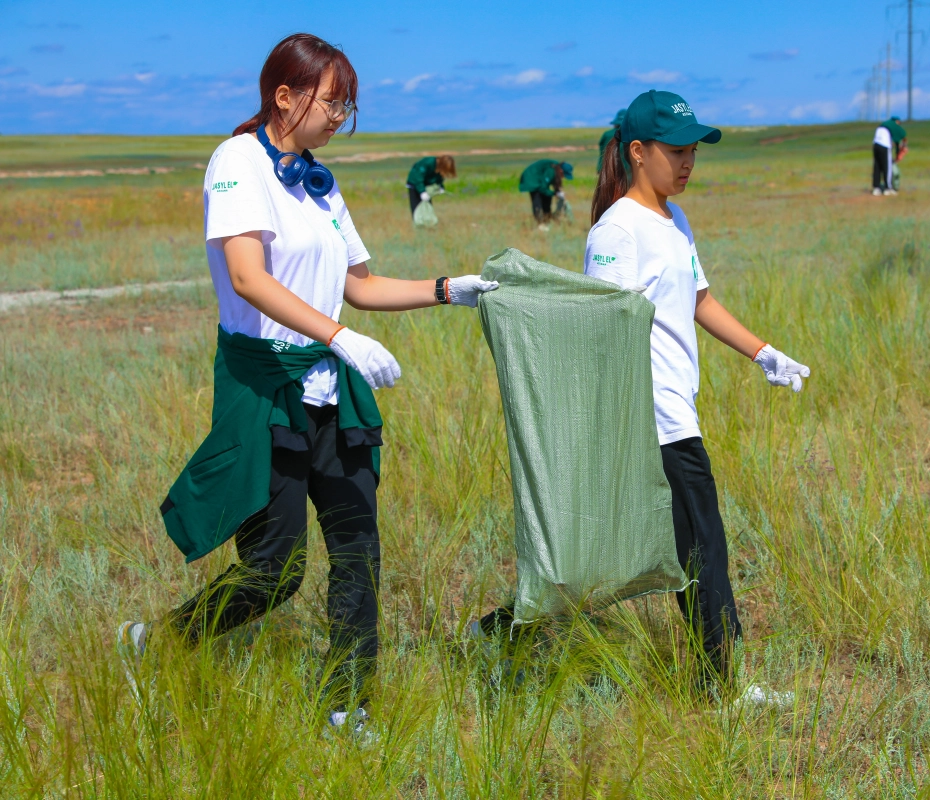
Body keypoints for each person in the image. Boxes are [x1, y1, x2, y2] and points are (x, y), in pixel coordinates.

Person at [116, 33, 497, 739]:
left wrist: (450, 289)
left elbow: (360, 283)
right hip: (268, 391)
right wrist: (337, 335)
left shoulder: (317, 181)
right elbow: (247, 278)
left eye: (347, 105)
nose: (339, 116)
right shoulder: (237, 163)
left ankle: (347, 707)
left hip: (331, 393)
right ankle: (158, 642)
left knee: (358, 548)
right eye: (332, 101)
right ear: (284, 97)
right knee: (274, 571)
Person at [584, 89, 810, 697]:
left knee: (653, 557)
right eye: (676, 150)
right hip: (653, 424)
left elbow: (700, 300)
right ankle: (723, 692)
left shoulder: (674, 221)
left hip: (678, 413)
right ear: (638, 152)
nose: (688, 163)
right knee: (703, 551)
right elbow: (605, 329)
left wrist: (763, 352)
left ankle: (506, 630)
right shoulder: (617, 232)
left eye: (694, 152)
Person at [519, 159, 573, 229]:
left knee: (547, 197)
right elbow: (543, 188)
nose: (564, 177)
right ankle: (540, 224)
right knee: (537, 198)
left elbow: (553, 183)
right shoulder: (551, 171)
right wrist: (555, 193)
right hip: (531, 178)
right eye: (564, 175)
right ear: (561, 171)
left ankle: (546, 219)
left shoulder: (556, 168)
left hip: (539, 179)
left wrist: (558, 191)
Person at [872, 115, 906, 196]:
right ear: (897, 121)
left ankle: (876, 188)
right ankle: (888, 188)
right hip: (884, 144)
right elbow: (903, 135)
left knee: (877, 166)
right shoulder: (895, 124)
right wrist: (900, 152)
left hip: (875, 144)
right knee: (887, 166)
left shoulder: (884, 123)